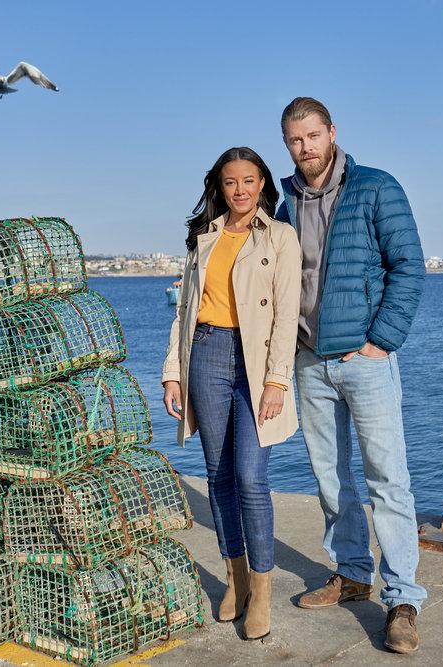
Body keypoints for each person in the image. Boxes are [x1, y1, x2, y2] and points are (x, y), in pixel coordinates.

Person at [275, 97, 427, 654]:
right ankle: (353, 574)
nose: (305, 148)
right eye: (294, 140)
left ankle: (404, 598)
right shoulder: (285, 204)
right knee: (330, 479)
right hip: (309, 361)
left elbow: (409, 265)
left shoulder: (376, 187)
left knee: (388, 479)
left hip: (365, 362)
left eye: (312, 136)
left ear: (332, 132)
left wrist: (380, 341)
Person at [161, 146, 301, 640]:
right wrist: (172, 371)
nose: (239, 190)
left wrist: (277, 381)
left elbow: (287, 316)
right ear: (219, 188)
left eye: (248, 180)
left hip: (257, 360)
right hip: (207, 354)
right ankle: (235, 579)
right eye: (229, 183)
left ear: (263, 182)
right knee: (219, 475)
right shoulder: (204, 239)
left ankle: (262, 590)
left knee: (250, 476)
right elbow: (184, 311)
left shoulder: (281, 237)